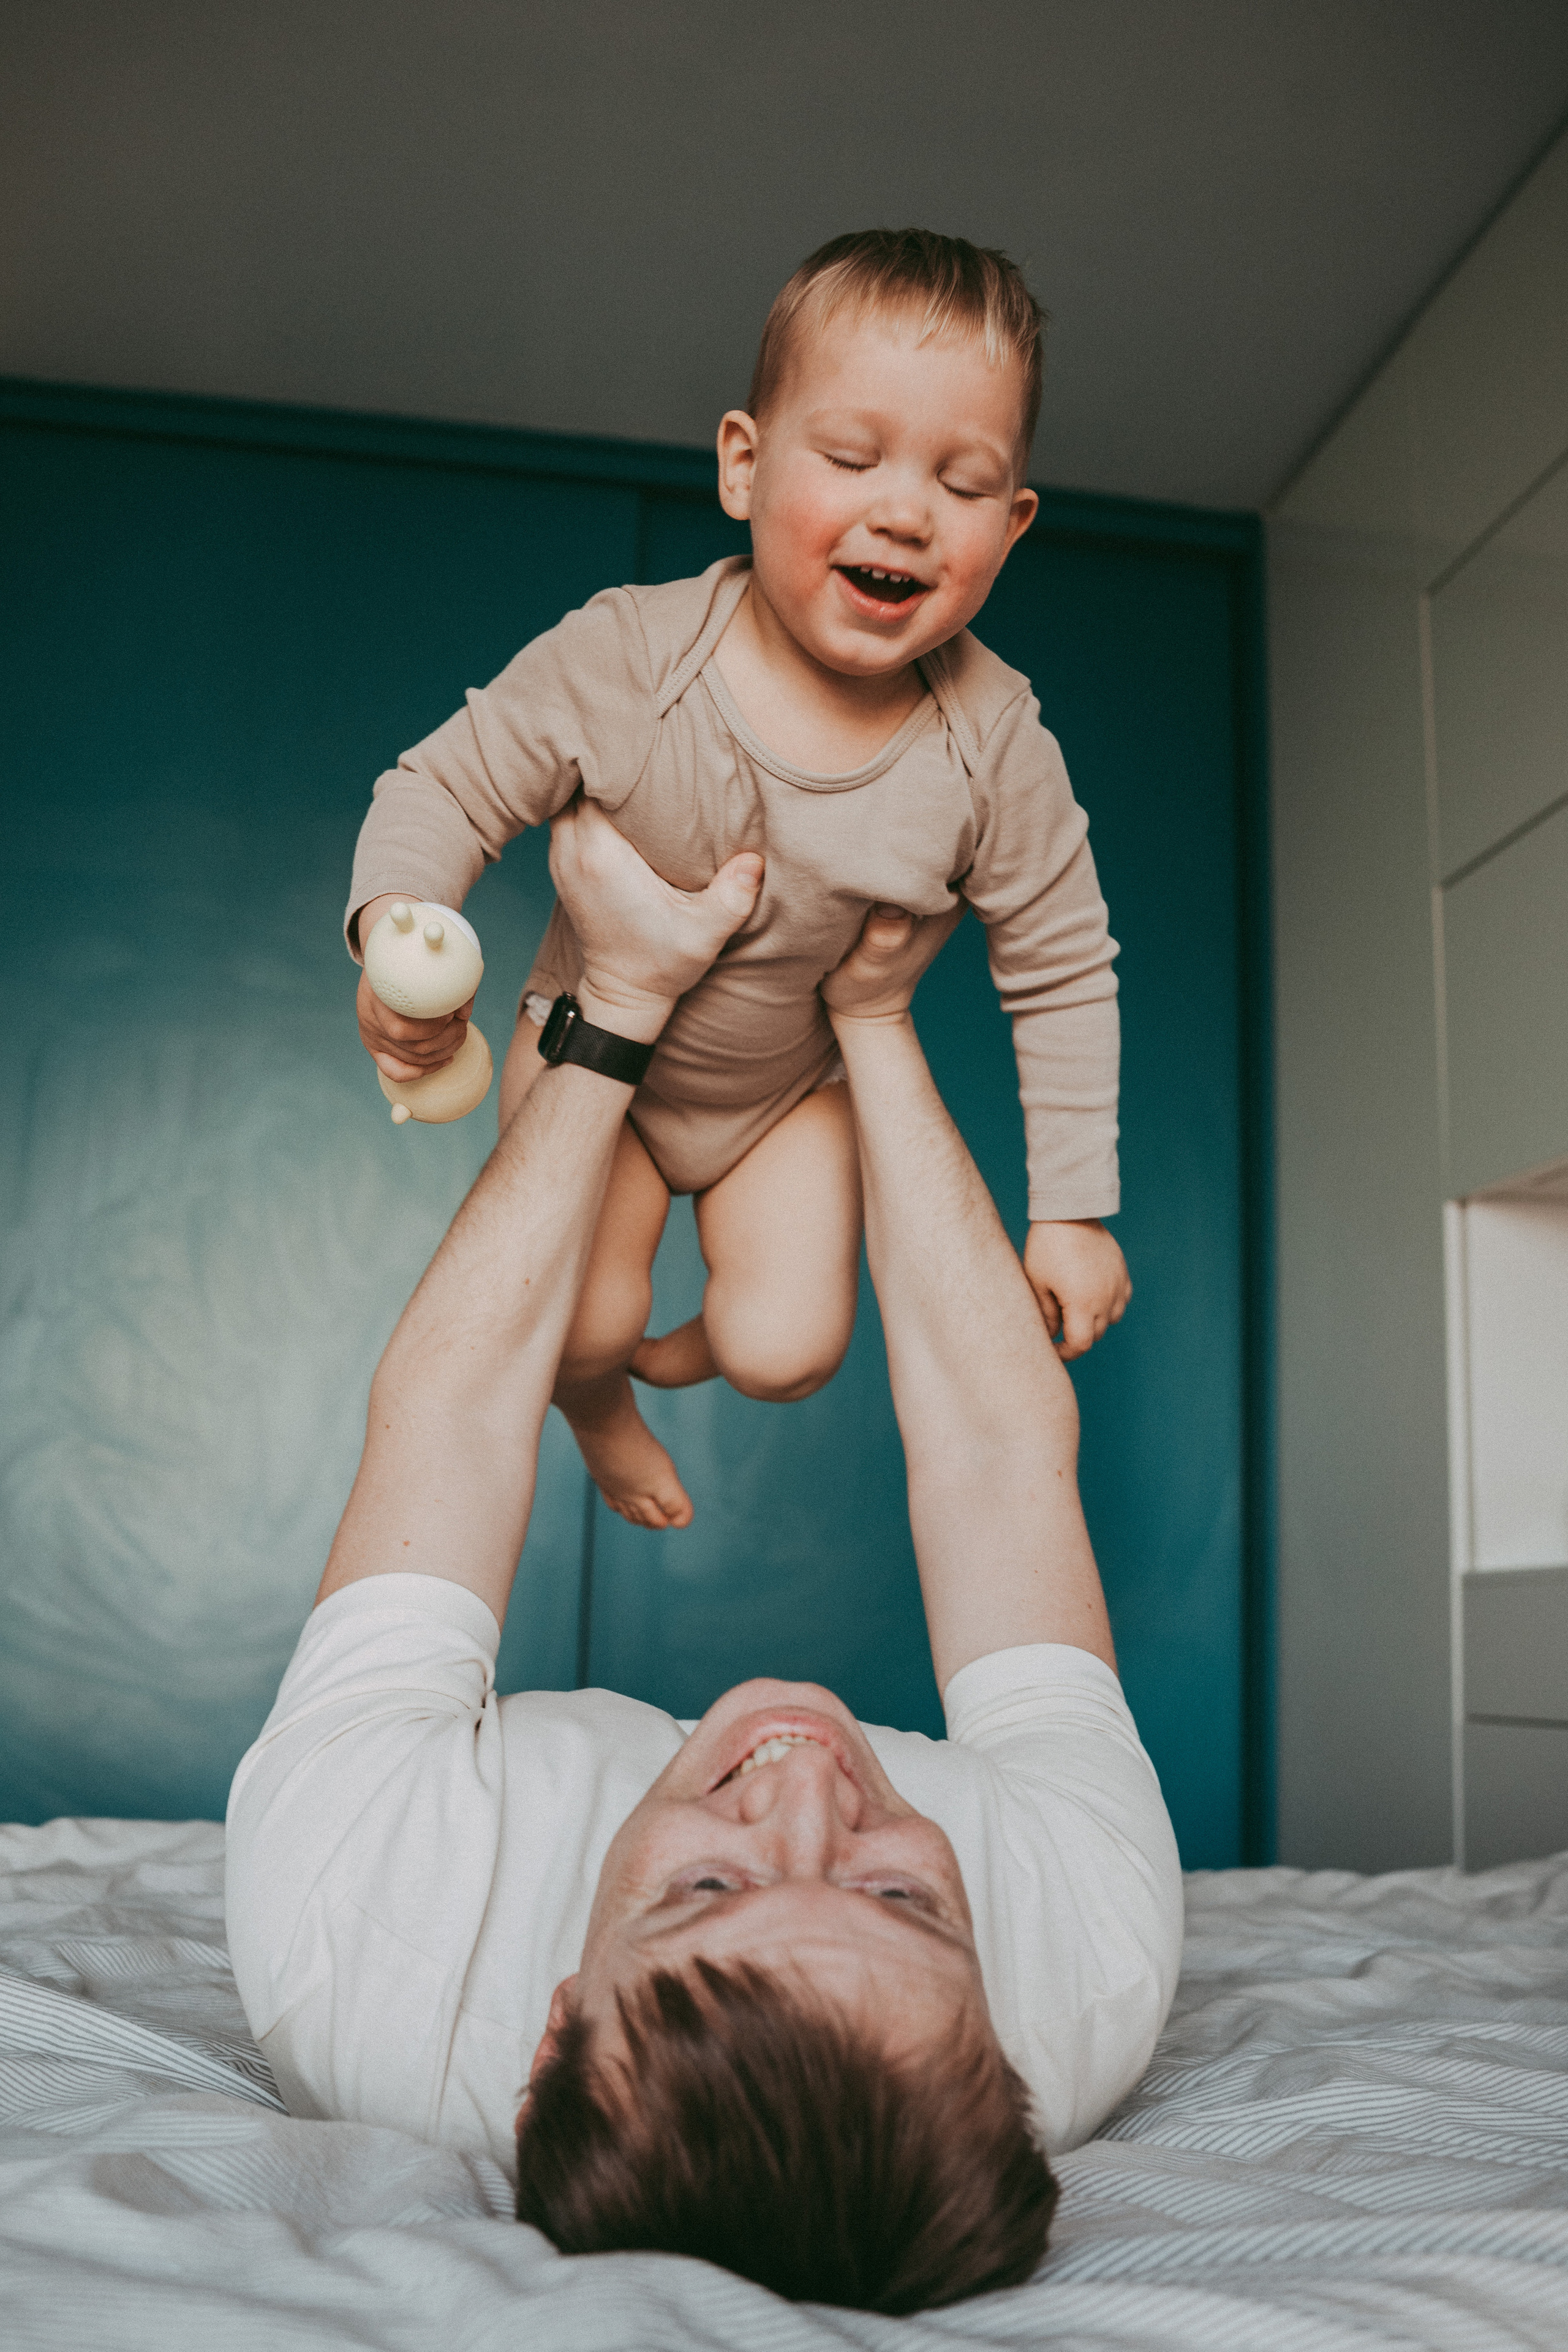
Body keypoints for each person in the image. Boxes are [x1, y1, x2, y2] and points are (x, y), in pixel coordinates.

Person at [226, 800, 1182, 2315]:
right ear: (1003, 2036)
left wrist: (615, 1005)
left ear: (552, 2032)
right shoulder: (1086, 1973)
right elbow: (1001, 1466)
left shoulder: (354, 1934)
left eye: (706, 1889)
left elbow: (454, 1417)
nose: (807, 1778)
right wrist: (870, 1016)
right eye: (899, 1903)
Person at [345, 228, 1131, 1536]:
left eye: (962, 480)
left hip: (784, 1092)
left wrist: (1073, 1210)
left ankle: (671, 1355)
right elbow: (444, 788)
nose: (903, 509)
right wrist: (391, 939)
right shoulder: (626, 657)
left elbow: (1059, 964)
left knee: (785, 1351)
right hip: (598, 1051)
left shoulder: (992, 741)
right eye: (850, 456)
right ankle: (599, 1397)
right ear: (743, 466)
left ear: (1012, 522)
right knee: (577, 1318)